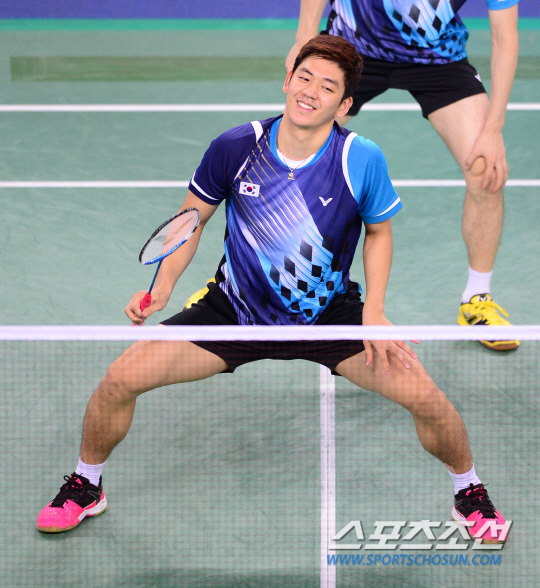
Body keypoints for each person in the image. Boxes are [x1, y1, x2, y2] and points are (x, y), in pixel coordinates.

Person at [37, 36, 506, 543]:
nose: (310, 91)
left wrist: (374, 311)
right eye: (304, 77)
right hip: (233, 313)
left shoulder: (359, 158)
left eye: (327, 86)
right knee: (117, 381)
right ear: (287, 80)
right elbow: (190, 221)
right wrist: (164, 285)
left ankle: (468, 491)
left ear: (344, 104)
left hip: (328, 316)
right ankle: (86, 484)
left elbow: (378, 233)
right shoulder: (236, 146)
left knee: (428, 399)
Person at [285, 0, 520, 351]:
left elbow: (505, 37)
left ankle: (477, 298)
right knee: (287, 159)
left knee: (487, 168)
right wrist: (304, 40)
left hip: (436, 56)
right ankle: (243, 280)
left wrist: (494, 128)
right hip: (352, 47)